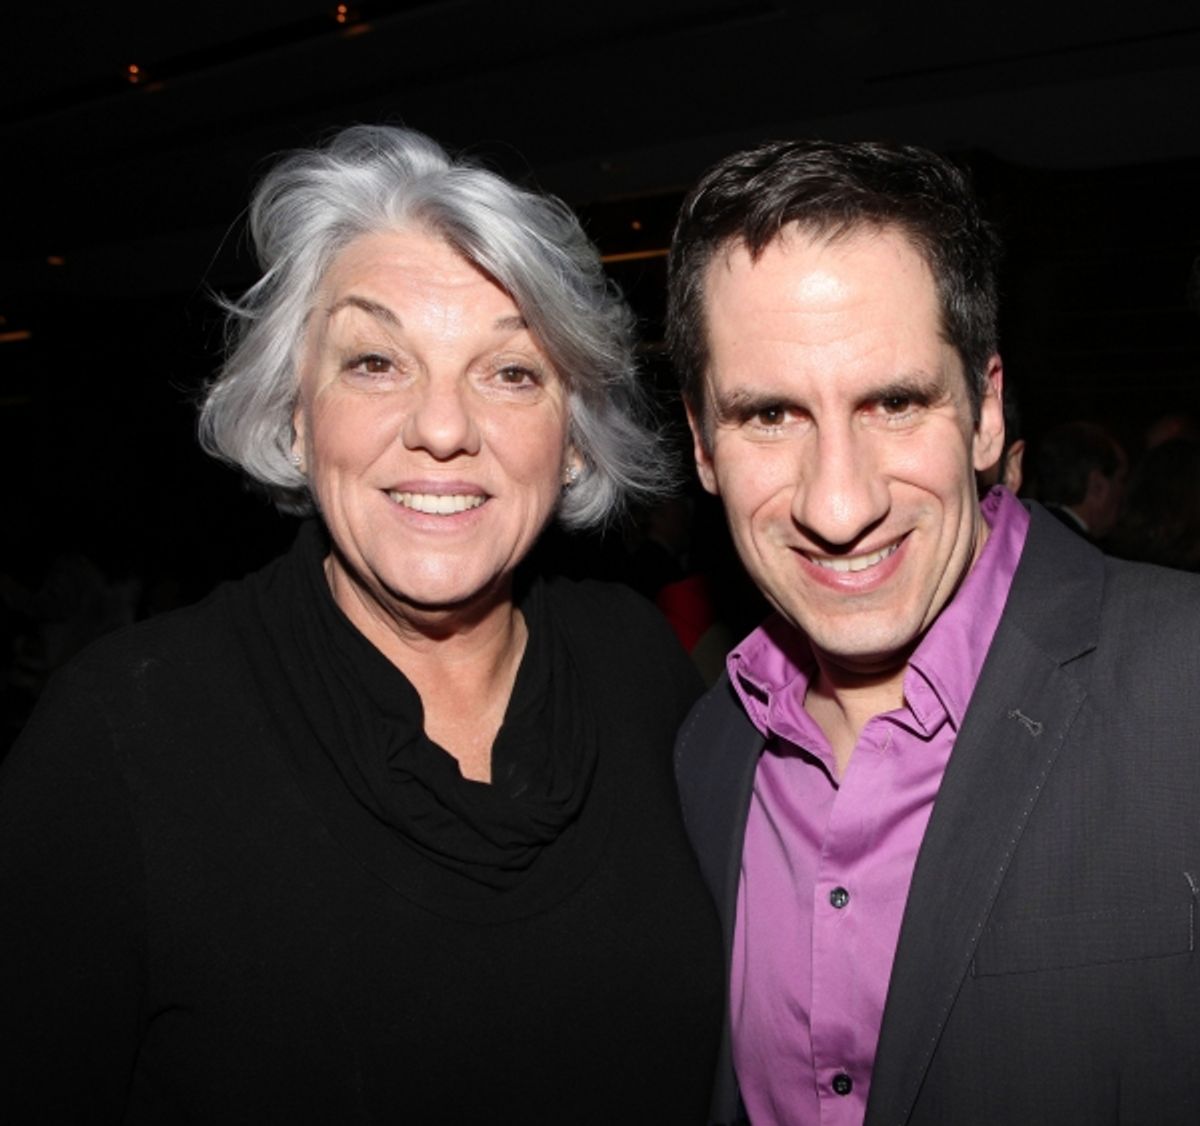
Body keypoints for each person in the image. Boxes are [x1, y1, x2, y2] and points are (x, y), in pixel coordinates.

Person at [0, 125, 723, 1124]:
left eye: (510, 371)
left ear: (572, 438)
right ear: (297, 414)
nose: (439, 425)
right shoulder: (124, 736)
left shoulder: (638, 667)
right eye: (376, 361)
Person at [666, 139, 1200, 1125]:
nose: (838, 502)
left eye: (896, 401)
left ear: (987, 411)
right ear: (702, 445)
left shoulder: (1185, 690)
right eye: (771, 414)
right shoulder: (706, 752)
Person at [1031, 419, 1127, 541]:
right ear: (1098, 486)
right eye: (1121, 480)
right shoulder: (1085, 553)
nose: (1123, 492)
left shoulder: (1021, 531)